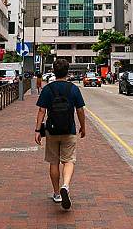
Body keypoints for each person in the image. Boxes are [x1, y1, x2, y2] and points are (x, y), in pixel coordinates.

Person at [35, 58, 86, 210]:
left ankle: (57, 193)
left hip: (52, 130)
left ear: (54, 72)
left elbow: (41, 111)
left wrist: (38, 130)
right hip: (69, 130)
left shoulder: (48, 89)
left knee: (53, 162)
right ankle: (66, 185)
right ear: (67, 71)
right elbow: (80, 110)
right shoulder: (73, 89)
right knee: (69, 160)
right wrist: (83, 127)